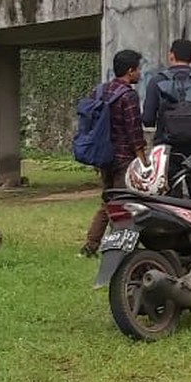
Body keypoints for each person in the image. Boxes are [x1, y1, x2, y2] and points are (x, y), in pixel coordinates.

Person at [80, 49, 148, 258]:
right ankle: (118, 246)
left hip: (103, 155)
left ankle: (91, 245)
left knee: (109, 200)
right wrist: (142, 161)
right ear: (130, 71)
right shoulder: (128, 96)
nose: (140, 74)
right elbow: (134, 131)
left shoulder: (100, 91)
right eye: (138, 69)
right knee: (121, 202)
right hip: (123, 158)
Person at [141, 38, 191, 198]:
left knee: (171, 197)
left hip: (167, 150)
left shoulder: (157, 81)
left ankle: (175, 223)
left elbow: (148, 119)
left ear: (171, 56)